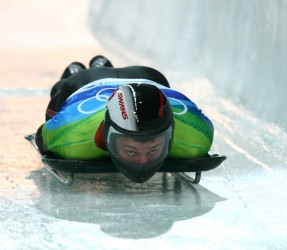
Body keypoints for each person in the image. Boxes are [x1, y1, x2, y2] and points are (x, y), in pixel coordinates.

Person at [35, 55, 214, 183]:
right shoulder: (71, 134)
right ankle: (75, 73)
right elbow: (42, 135)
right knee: (59, 95)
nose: (143, 163)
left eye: (153, 150)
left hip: (149, 78)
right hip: (85, 82)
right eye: (131, 151)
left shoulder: (196, 136)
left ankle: (100, 65)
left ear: (171, 135)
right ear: (107, 134)